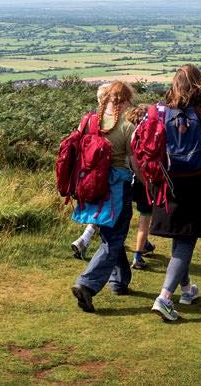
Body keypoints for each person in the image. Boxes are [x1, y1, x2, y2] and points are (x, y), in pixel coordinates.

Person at [148, 64, 201, 322]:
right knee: (186, 238)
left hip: (168, 180)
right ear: (199, 84)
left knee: (178, 234)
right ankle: (164, 297)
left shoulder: (160, 110)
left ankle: (186, 290)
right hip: (196, 180)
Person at [70, 82, 136, 313]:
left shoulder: (87, 121)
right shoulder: (127, 127)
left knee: (111, 233)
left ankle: (119, 280)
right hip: (117, 186)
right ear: (125, 101)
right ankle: (87, 284)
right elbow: (134, 161)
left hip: (90, 183)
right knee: (114, 237)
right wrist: (146, 181)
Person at [70, 82, 111, 259]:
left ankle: (86, 239)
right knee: (107, 206)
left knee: (99, 206)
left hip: (86, 170)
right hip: (105, 169)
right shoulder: (111, 121)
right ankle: (86, 239)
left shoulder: (87, 119)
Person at [128, 104, 156, 270]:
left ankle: (144, 245)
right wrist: (148, 184)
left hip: (127, 180)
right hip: (143, 182)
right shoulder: (147, 136)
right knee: (144, 219)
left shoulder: (128, 134)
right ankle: (138, 256)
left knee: (124, 216)